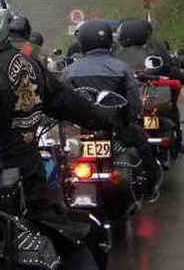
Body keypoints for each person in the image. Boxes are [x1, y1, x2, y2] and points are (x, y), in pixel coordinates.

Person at [0, 0, 133, 270]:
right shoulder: (25, 63)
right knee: (72, 243)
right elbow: (66, 101)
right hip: (31, 187)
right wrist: (108, 120)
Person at [60, 20, 161, 198]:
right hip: (117, 129)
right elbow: (135, 105)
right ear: (109, 41)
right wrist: (128, 120)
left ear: (82, 42)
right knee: (143, 147)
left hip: (81, 133)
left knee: (62, 160)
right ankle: (150, 188)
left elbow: (61, 103)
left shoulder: (69, 71)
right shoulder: (122, 68)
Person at [116, 19, 184, 154]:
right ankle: (177, 143)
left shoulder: (115, 53)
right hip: (150, 98)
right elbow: (168, 66)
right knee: (170, 107)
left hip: (132, 100)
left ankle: (175, 142)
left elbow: (168, 66)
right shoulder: (154, 48)